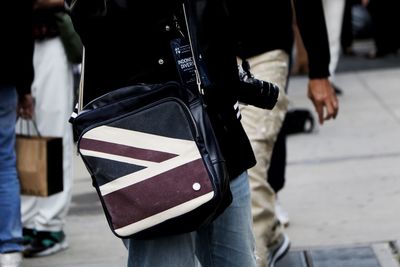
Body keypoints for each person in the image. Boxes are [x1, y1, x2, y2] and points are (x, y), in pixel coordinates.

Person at [67, 0, 263, 266]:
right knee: (167, 259)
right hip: (150, 140)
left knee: (237, 258)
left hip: (217, 128)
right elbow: (91, 21)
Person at [227, 0, 339, 266]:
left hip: (265, 52)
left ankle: (257, 257)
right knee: (222, 169)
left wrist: (319, 71)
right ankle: (272, 235)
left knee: (250, 163)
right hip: (211, 56)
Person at [17, 0, 79, 257]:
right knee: (26, 135)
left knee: (52, 134)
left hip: (52, 41)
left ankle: (50, 225)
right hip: (21, 46)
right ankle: (29, 220)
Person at [0, 2, 35, 267]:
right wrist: (25, 86)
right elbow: (22, 31)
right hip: (5, 76)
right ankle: (10, 246)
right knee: (4, 162)